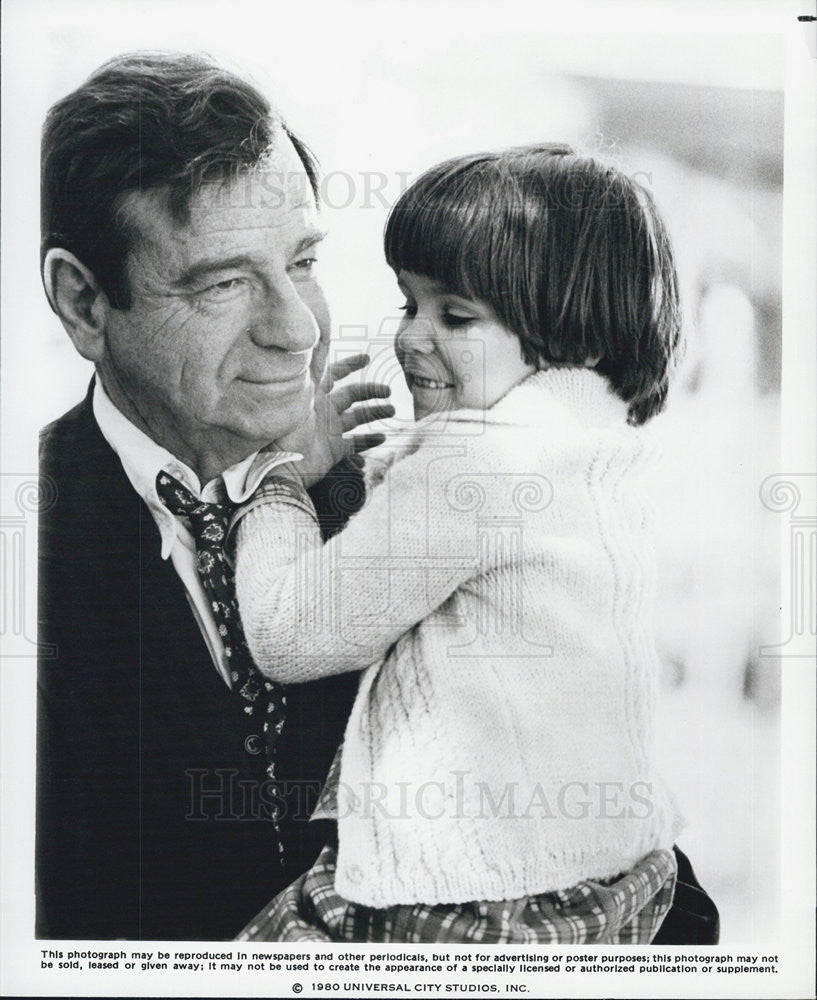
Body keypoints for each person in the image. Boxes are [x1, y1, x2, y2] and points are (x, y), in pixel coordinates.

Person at [232, 145, 720, 943]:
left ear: (571, 330)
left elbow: (289, 634)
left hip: (464, 898)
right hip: (604, 875)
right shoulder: (593, 447)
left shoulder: (477, 462)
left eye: (455, 317)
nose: (411, 337)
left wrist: (277, 475)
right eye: (408, 304)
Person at [36, 51, 393, 940]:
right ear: (84, 304)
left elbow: (644, 881)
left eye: (303, 260)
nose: (298, 328)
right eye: (224, 282)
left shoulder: (398, 505)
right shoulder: (30, 538)